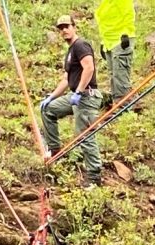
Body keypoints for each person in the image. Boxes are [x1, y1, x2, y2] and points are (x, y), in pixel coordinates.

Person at [40, 15, 103, 188]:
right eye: (60, 28)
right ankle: (55, 150)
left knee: (84, 135)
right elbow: (67, 79)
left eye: (66, 26)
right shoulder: (70, 51)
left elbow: (89, 67)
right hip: (76, 95)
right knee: (48, 110)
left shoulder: (80, 45)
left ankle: (94, 177)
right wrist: (52, 97)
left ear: (74, 27)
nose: (64, 30)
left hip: (87, 96)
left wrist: (79, 91)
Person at [95, 0, 136, 106]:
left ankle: (123, 105)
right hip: (109, 42)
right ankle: (118, 103)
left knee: (120, 73)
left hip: (120, 40)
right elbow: (105, 23)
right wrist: (103, 43)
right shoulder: (105, 3)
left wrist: (126, 33)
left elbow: (128, 13)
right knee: (113, 75)